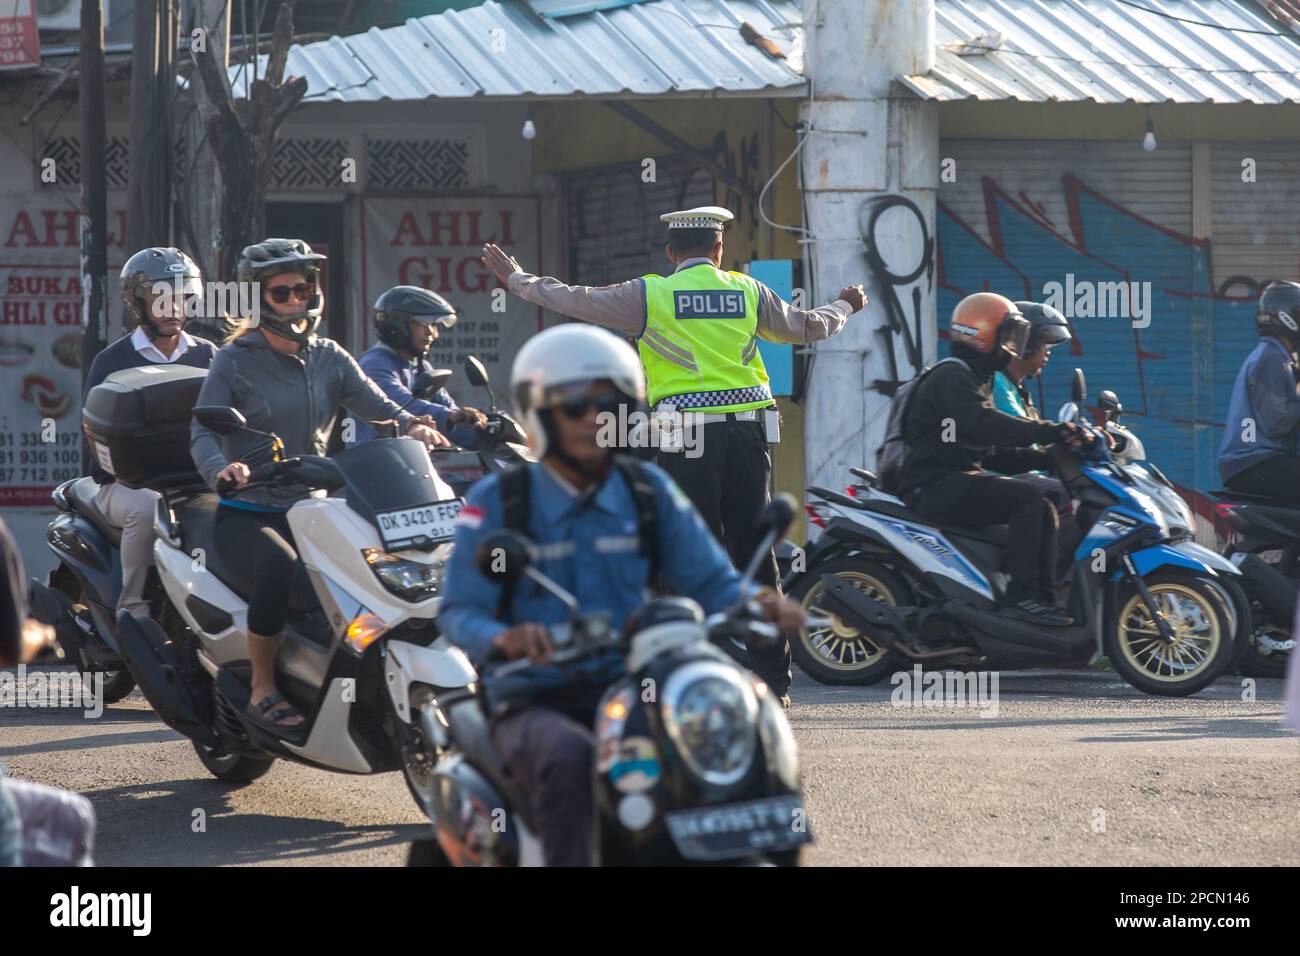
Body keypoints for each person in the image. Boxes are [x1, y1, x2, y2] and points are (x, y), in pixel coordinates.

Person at [437, 323, 805, 866]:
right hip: (536, 695)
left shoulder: (646, 490)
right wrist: (506, 637)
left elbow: (711, 579)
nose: (592, 419)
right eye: (574, 407)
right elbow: (459, 610)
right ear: (540, 413)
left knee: (737, 728)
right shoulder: (500, 500)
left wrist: (759, 602)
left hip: (640, 686)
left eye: (606, 405)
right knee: (571, 757)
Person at [480, 206, 865, 706]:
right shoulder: (748, 291)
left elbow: (578, 301)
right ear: (720, 249)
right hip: (750, 436)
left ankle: (676, 675)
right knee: (754, 554)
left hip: (686, 437)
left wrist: (518, 280)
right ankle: (773, 683)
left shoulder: (651, 294)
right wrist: (846, 306)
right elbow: (808, 326)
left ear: (671, 253)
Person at [190, 238, 448, 732]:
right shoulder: (235, 359)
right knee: (278, 566)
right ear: (256, 298)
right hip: (250, 510)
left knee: (379, 562)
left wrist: (413, 424)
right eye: (281, 292)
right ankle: (263, 686)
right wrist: (220, 471)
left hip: (314, 507)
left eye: (303, 289)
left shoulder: (331, 357)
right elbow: (202, 428)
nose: (295, 301)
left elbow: (382, 409)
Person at [895, 292, 1091, 626]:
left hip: (955, 479)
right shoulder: (953, 376)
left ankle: (1041, 600)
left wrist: (1049, 461)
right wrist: (1053, 432)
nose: (1015, 344)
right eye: (1009, 335)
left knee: (1041, 501)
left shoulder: (976, 376)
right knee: (1029, 498)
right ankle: (1023, 598)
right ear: (983, 334)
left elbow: (990, 452)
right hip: (931, 486)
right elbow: (984, 425)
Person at [84, 248, 218, 617]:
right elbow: (95, 449)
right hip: (122, 487)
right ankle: (133, 608)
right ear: (139, 303)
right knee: (146, 506)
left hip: (194, 484)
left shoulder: (209, 356)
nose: (174, 307)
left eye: (182, 298)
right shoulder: (112, 361)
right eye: (163, 298)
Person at [349, 285, 487, 448]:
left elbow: (451, 415)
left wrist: (484, 429)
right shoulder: (374, 363)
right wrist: (450, 416)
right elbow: (400, 403)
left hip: (411, 464)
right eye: (423, 323)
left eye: (434, 325)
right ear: (397, 324)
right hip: (375, 464)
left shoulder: (421, 366)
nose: (431, 333)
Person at [1219, 281, 1300, 501]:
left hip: (1257, 460)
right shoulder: (1271, 358)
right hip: (1252, 462)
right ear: (1287, 316)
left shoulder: (1277, 355)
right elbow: (1277, 423)